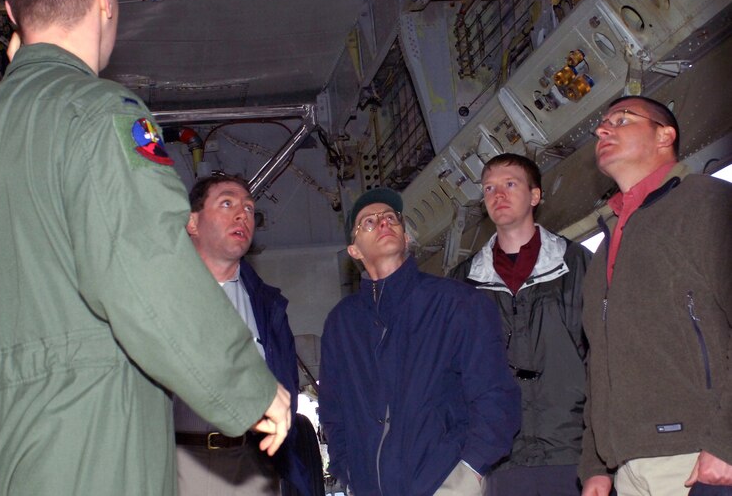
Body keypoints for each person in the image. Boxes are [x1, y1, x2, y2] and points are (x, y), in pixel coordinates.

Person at [0, 0, 290, 496]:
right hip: (91, 441)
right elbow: (146, 270)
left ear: (10, 15)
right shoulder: (102, 114)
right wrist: (247, 386)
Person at [319, 187, 521, 496]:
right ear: (354, 250)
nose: (383, 223)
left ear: (406, 237)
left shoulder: (458, 304)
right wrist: (347, 470)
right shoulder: (341, 324)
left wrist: (468, 473)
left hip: (444, 483)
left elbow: (495, 396)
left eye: (391, 218)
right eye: (369, 223)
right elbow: (334, 410)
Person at [580, 96, 732, 496]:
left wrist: (726, 440)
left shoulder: (707, 201)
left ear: (665, 136)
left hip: (698, 454)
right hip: (628, 466)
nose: (602, 129)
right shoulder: (605, 246)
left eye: (622, 120)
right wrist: (595, 463)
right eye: (602, 123)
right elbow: (600, 358)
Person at [451, 153, 591, 495]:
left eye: (510, 184)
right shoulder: (462, 284)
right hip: (498, 460)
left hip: (572, 453)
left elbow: (603, 357)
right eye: (489, 188)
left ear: (535, 195)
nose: (498, 195)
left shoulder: (578, 266)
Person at [173, 174, 311, 495]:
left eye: (249, 209)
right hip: (179, 461)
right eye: (227, 204)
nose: (242, 215)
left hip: (255, 463)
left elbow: (285, 385)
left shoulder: (268, 306)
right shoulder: (162, 295)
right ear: (192, 223)